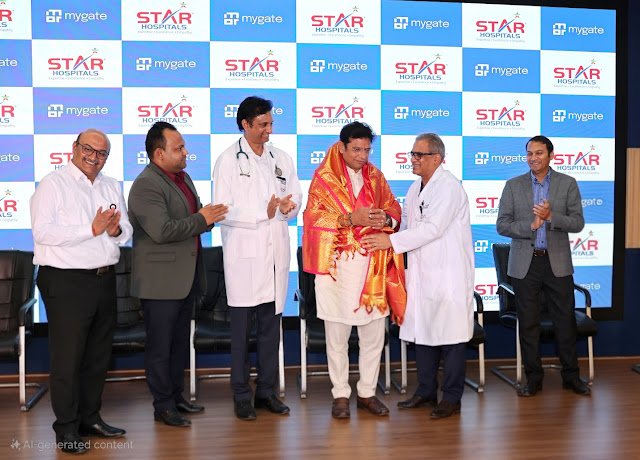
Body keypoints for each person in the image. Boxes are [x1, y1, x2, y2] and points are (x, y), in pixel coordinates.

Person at [30, 129, 133, 454]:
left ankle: (90, 418)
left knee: (98, 357)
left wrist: (114, 230)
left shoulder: (111, 184)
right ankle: (66, 428)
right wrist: (90, 229)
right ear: (74, 148)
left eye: (102, 153)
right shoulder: (52, 184)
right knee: (68, 359)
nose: (94, 157)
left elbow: (126, 232)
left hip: (104, 278)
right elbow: (43, 232)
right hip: (66, 281)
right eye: (88, 149)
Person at [362, 133, 474, 419]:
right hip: (421, 273)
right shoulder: (415, 188)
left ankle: (452, 397)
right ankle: (425, 391)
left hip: (447, 274)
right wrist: (388, 225)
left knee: (451, 338)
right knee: (422, 332)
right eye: (412, 154)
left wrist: (390, 242)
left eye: (418, 155)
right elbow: (409, 227)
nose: (412, 159)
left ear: (437, 158)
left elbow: (433, 228)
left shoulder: (449, 187)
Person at [302, 121, 406, 419]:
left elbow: (394, 209)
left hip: (372, 265)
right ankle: (340, 394)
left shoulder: (376, 176)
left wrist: (385, 220)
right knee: (337, 336)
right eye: (356, 149)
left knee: (374, 335)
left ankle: (367, 392)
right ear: (342, 147)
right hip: (337, 267)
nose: (362, 156)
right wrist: (350, 218)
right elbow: (312, 219)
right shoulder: (324, 178)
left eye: (367, 150)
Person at [128, 122, 228, 427]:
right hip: (160, 282)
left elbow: (194, 216)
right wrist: (202, 218)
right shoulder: (146, 185)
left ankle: (176, 396)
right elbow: (162, 230)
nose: (186, 152)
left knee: (178, 344)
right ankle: (163, 405)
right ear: (159, 153)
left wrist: (207, 218)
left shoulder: (182, 178)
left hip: (185, 277)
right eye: (179, 148)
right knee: (160, 348)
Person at [213, 96, 301, 421]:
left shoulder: (281, 157)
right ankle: (241, 394)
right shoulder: (228, 160)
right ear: (245, 124)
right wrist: (261, 213)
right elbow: (221, 210)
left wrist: (289, 207)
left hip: (275, 257)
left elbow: (295, 194)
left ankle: (266, 392)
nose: (269, 130)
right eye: (262, 124)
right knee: (240, 335)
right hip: (244, 258)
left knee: (270, 331)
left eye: (271, 123)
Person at [496, 135, 590, 397]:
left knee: (565, 322)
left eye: (539, 153)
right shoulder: (513, 185)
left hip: (556, 263)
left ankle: (571, 377)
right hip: (525, 264)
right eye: (529, 153)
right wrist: (531, 225)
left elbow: (577, 223)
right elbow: (502, 225)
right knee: (528, 324)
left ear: (551, 155)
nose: (533, 158)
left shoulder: (567, 183)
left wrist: (551, 217)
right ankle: (533, 379)